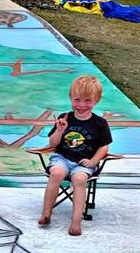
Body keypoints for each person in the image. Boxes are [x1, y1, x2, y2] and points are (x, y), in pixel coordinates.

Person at [37, 75, 113, 236]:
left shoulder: (100, 123)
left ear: (96, 101)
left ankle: (76, 221)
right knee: (56, 173)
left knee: (79, 179)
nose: (81, 105)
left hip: (84, 164)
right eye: (77, 100)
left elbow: (104, 147)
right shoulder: (65, 118)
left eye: (88, 101)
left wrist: (93, 161)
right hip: (62, 158)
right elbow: (53, 144)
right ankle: (46, 213)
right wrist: (59, 130)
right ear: (71, 98)